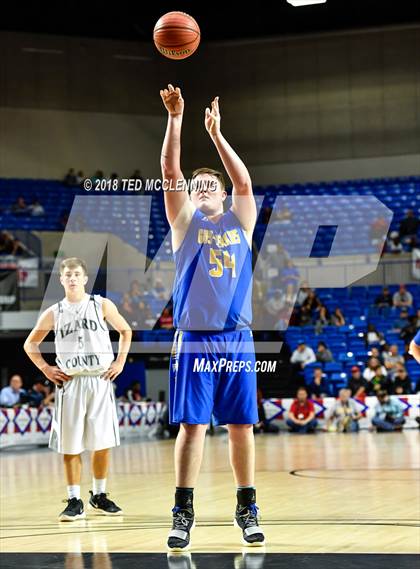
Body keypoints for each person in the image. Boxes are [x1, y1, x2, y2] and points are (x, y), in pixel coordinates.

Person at [160, 84, 264, 550]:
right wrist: (177, 119)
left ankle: (247, 506)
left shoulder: (240, 221)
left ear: (221, 196)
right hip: (196, 337)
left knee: (241, 425)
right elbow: (169, 170)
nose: (201, 189)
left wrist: (217, 135)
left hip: (237, 338)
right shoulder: (185, 224)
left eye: (209, 186)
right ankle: (183, 510)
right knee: (193, 426)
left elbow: (243, 183)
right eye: (195, 186)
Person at [24, 257, 132, 521]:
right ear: (61, 280)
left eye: (76, 274)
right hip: (70, 382)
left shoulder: (101, 304)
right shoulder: (53, 312)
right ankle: (74, 500)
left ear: (85, 279)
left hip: (100, 379)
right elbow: (30, 344)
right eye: (67, 275)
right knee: (70, 445)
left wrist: (120, 361)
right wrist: (46, 369)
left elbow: (125, 330)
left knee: (102, 442)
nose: (72, 278)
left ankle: (99, 495)